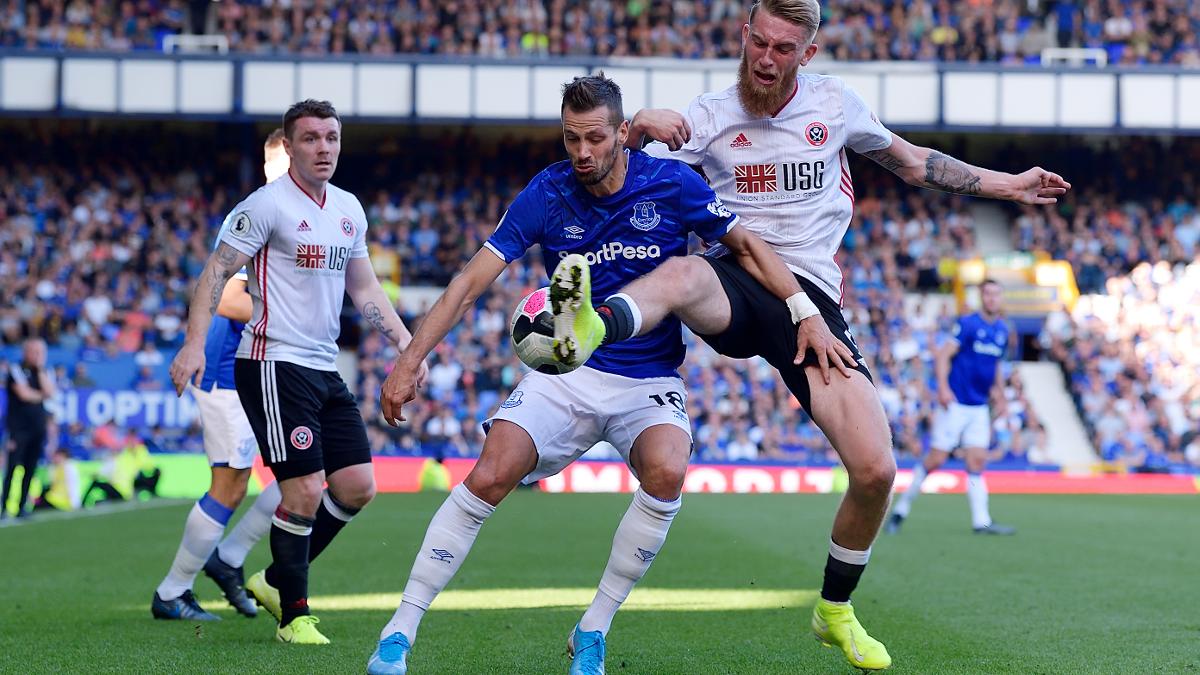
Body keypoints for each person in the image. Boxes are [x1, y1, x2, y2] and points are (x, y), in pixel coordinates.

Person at [551, 1, 1071, 670]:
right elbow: (604, 168)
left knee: (876, 466)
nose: (766, 59)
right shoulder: (706, 118)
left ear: (809, 54)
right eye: (759, 43)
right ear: (744, 36)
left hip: (814, 307)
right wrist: (635, 128)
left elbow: (914, 164)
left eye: (783, 49)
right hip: (737, 281)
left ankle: (834, 609)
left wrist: (1009, 185)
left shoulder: (836, 106)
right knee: (683, 271)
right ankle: (588, 326)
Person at [369, 74, 803, 675]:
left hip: (646, 377)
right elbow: (470, 284)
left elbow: (748, 245)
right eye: (571, 138)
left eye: (596, 137)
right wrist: (408, 360)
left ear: (623, 133)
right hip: (565, 373)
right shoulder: (547, 192)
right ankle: (400, 629)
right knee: (491, 472)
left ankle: (593, 628)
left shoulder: (672, 183)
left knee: (669, 469)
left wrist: (803, 311)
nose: (582, 152)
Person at [169, 99, 423, 645]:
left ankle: (274, 578)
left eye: (331, 137)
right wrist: (193, 345)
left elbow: (364, 287)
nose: (323, 148)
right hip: (271, 363)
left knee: (357, 486)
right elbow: (215, 274)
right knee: (304, 489)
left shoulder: (349, 208)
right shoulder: (265, 206)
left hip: (323, 367)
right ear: (289, 146)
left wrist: (408, 346)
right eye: (310, 139)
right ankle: (293, 615)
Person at [152, 129, 289, 623]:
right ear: (278, 159)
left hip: (263, 370)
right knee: (229, 485)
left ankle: (226, 558)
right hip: (229, 372)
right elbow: (226, 296)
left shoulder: (299, 215)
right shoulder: (257, 212)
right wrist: (284, 304)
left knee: (308, 472)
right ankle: (173, 591)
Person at [887, 280, 1016, 535]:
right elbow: (944, 355)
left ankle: (982, 521)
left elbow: (996, 366)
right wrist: (944, 388)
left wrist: (1000, 397)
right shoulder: (968, 324)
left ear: (1001, 298)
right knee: (936, 459)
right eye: (988, 294)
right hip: (956, 403)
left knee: (977, 461)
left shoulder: (1002, 330)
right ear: (981, 297)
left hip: (979, 406)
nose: (992, 299)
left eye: (996, 294)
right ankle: (901, 509)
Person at [2, 338, 54, 520]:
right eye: (35, 352)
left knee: (30, 469)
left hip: (37, 429)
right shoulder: (16, 370)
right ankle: (4, 507)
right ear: (26, 352)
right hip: (19, 429)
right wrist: (41, 395)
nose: (38, 356)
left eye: (41, 352)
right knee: (12, 468)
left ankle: (22, 506)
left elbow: (50, 392)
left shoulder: (45, 372)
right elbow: (24, 394)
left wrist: (39, 370)